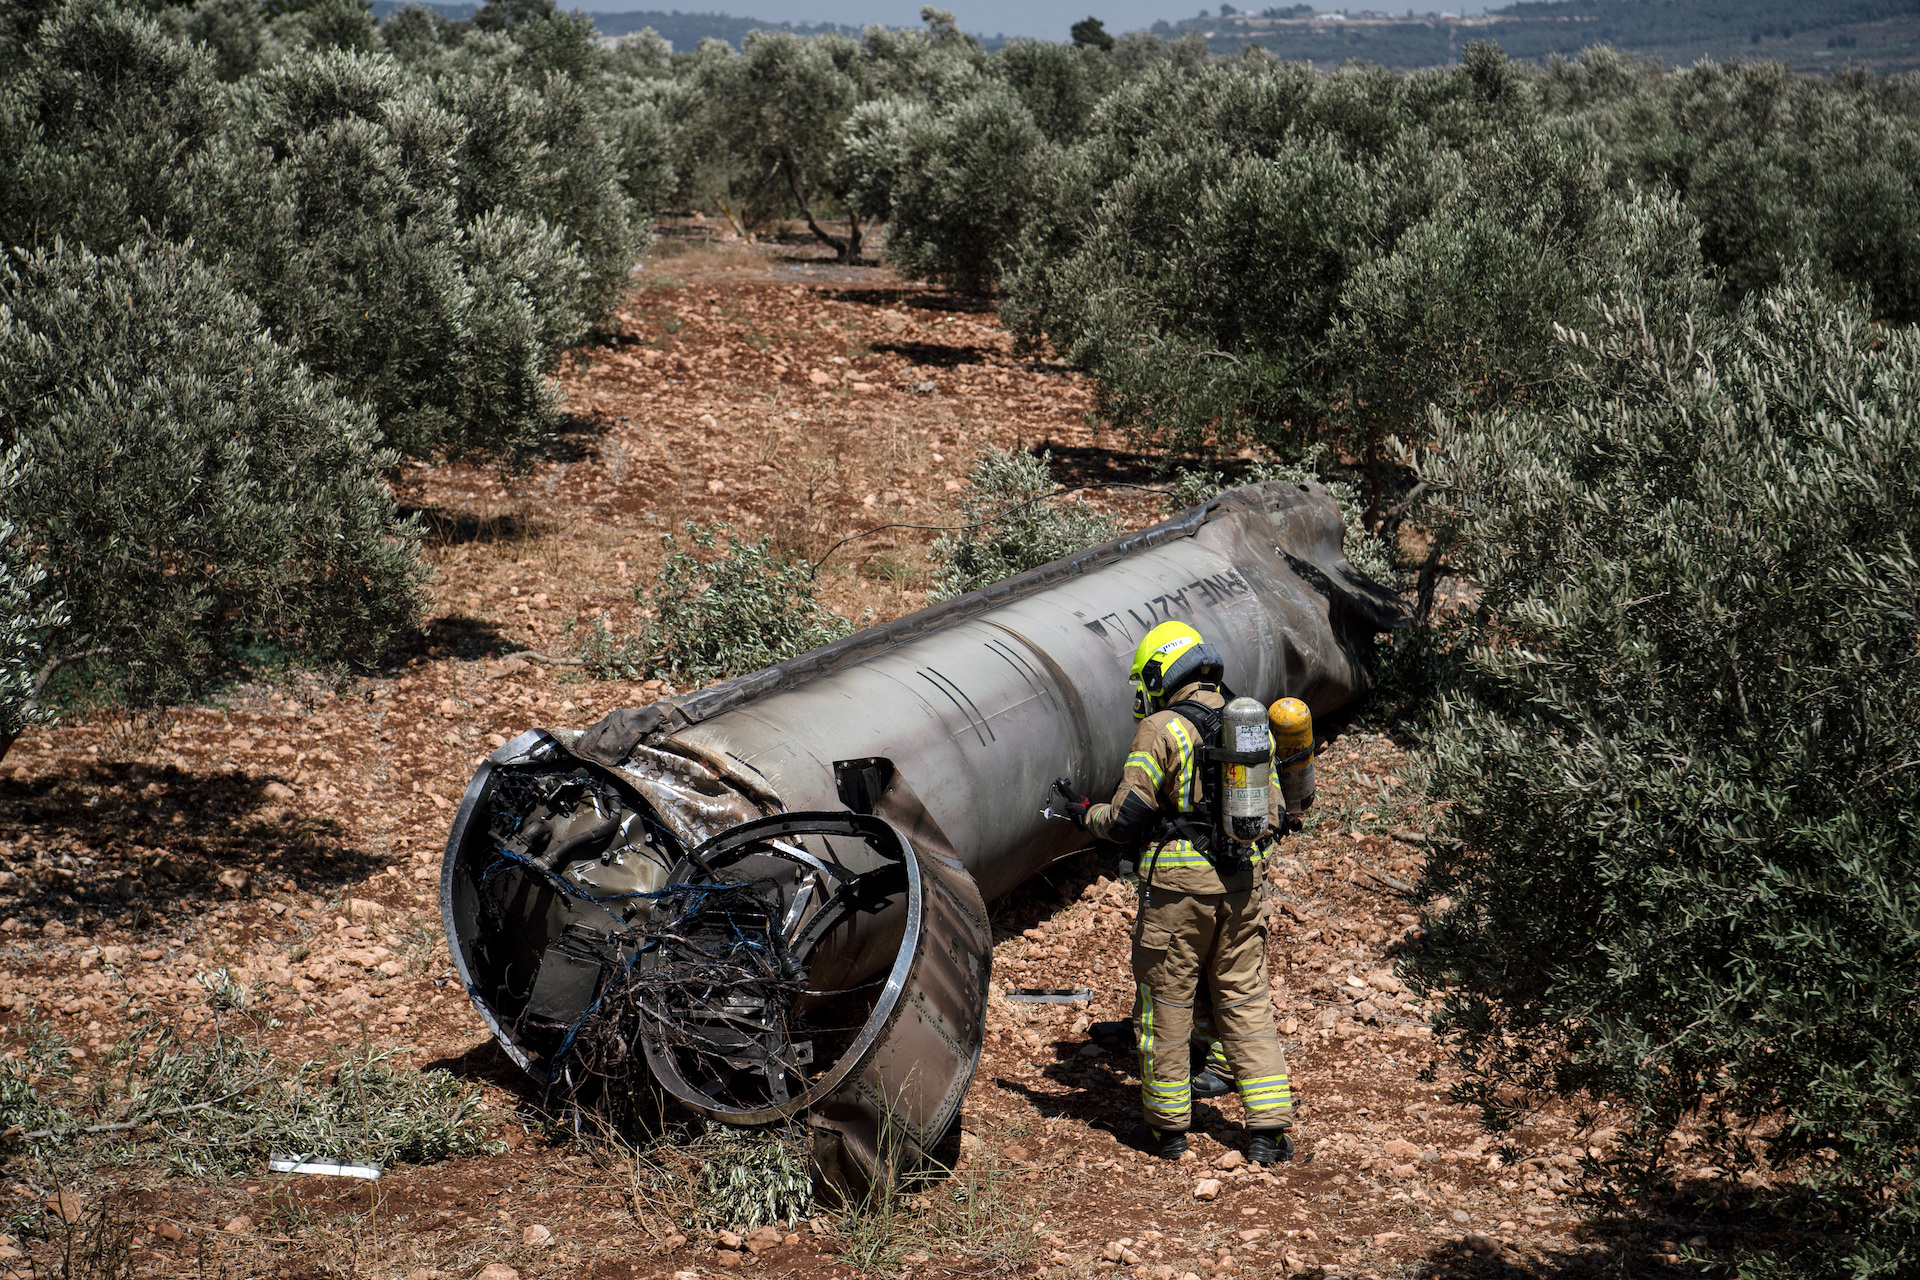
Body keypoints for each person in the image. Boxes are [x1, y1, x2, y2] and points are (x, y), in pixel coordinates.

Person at [1052, 621, 1295, 1164]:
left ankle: (1167, 1131)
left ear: (1160, 674)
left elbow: (1124, 820)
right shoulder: (1249, 725)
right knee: (1245, 999)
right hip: (1244, 886)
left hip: (1179, 892)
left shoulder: (1163, 729)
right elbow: (1277, 812)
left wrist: (1080, 813)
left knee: (1165, 1006)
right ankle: (1269, 1132)